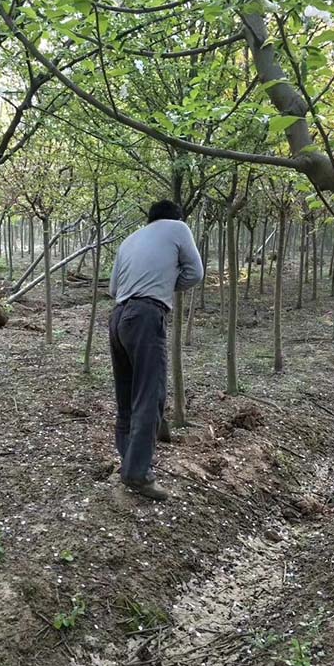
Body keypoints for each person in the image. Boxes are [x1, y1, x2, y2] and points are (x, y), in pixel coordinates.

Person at [109, 199, 204, 501]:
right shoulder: (179, 228)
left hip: (118, 317)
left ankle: (128, 463)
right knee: (150, 396)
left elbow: (113, 288)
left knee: (127, 396)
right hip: (146, 315)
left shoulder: (129, 239)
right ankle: (138, 474)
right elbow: (196, 273)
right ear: (176, 217)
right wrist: (167, 283)